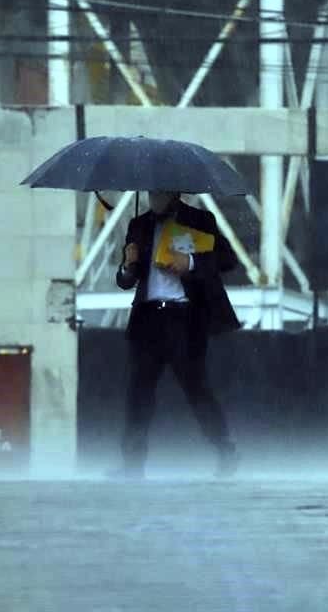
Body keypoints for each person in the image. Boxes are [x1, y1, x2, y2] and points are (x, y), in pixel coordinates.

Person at [110, 190, 241, 479]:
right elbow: (125, 281)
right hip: (148, 316)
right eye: (150, 191)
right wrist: (127, 265)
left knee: (196, 389)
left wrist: (191, 262)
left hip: (185, 317)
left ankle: (225, 450)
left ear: (174, 192)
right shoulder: (139, 225)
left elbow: (227, 259)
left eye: (159, 191)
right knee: (139, 393)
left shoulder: (200, 220)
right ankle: (132, 463)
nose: (152, 197)